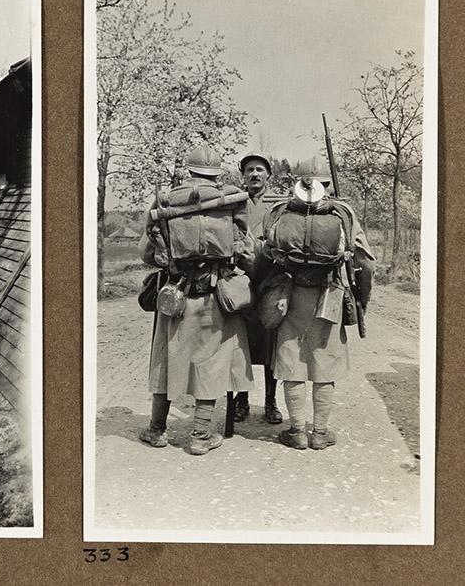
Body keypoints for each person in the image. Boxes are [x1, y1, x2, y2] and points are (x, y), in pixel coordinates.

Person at [137, 143, 253, 456]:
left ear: (189, 170)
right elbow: (246, 251)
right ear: (218, 173)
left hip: (174, 297)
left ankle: (156, 430)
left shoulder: (165, 200)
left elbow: (147, 254)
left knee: (165, 359)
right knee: (211, 364)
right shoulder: (232, 201)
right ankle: (200, 436)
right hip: (213, 296)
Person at [262, 156, 374, 451]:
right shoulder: (344, 214)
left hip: (290, 296)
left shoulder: (279, 211)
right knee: (326, 361)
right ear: (328, 184)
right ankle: (320, 433)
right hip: (330, 295)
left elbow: (265, 252)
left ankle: (297, 431)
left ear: (295, 182)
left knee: (291, 360)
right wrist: (361, 299)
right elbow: (365, 263)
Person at [231, 152, 284, 424]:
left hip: (270, 281)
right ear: (242, 175)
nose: (254, 174)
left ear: (268, 175)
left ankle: (270, 401)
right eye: (249, 169)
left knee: (271, 344)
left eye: (259, 170)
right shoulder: (234, 202)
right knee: (240, 343)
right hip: (241, 282)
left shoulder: (279, 204)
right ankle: (242, 399)